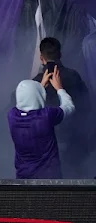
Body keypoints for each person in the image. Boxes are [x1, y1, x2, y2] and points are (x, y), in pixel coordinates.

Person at [32, 36, 91, 175]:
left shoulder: (35, 83)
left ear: (41, 58)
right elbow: (86, 107)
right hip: (74, 142)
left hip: (46, 146)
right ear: (60, 54)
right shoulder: (74, 76)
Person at [9, 66, 75, 179]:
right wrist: (60, 89)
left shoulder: (12, 116)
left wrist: (39, 87)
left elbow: (27, 101)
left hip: (24, 178)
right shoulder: (46, 116)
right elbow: (69, 107)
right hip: (49, 178)